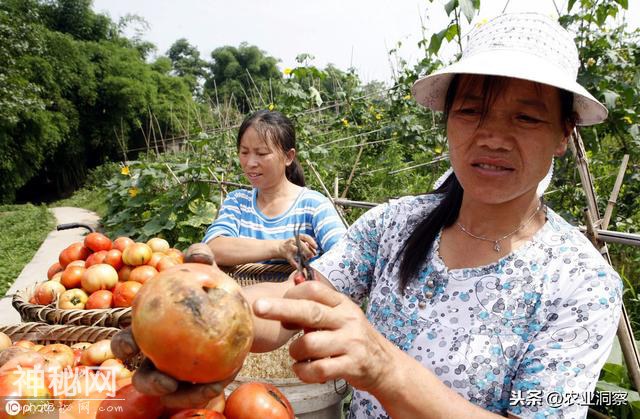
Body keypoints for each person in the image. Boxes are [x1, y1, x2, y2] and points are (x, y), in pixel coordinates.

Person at [113, 12, 622, 419]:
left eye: (526, 117)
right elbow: (293, 304)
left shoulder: (582, 285)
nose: (492, 136)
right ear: (448, 120)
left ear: (563, 134)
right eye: (471, 110)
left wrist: (385, 369)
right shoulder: (396, 226)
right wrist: (196, 321)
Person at [202, 110, 346, 267]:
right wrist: (279, 248)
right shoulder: (238, 202)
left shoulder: (314, 205)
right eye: (244, 152)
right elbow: (212, 248)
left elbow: (345, 256)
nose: (250, 163)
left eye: (262, 153)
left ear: (288, 157)